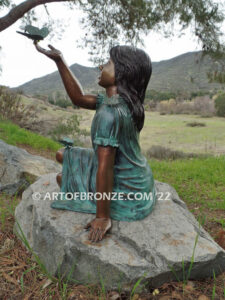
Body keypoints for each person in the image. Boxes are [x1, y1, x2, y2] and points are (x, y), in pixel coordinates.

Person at [34, 43, 157, 243]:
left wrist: (102, 217)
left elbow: (105, 167)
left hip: (128, 187)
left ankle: (97, 200)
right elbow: (79, 98)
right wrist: (60, 60)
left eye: (108, 63)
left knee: (62, 178)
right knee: (61, 155)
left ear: (122, 72)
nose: (102, 67)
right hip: (138, 177)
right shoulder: (122, 102)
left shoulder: (110, 114)